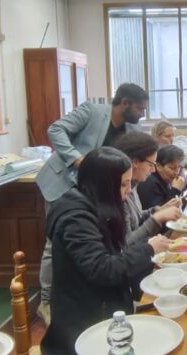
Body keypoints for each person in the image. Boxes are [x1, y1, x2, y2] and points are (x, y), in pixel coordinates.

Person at [40, 147, 169, 355]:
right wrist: (148, 249)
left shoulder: (94, 203)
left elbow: (115, 255)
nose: (129, 191)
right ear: (102, 185)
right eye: (123, 185)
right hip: (83, 333)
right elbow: (103, 269)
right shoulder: (76, 218)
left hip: (104, 311)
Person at [36, 83, 149, 325]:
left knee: (98, 241)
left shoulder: (129, 129)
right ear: (124, 103)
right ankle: (46, 301)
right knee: (55, 244)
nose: (142, 114)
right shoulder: (92, 111)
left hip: (100, 191)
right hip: (64, 182)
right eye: (139, 108)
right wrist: (77, 158)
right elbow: (55, 129)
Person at [113, 132, 182, 246]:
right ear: (135, 162)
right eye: (151, 164)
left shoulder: (134, 184)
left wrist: (159, 210)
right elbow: (126, 245)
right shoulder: (120, 192)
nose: (153, 170)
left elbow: (137, 218)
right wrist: (157, 218)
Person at [137, 145, 187, 210]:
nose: (177, 172)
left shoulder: (165, 178)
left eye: (179, 167)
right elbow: (162, 212)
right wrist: (176, 190)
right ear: (158, 166)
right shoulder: (149, 183)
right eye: (172, 168)